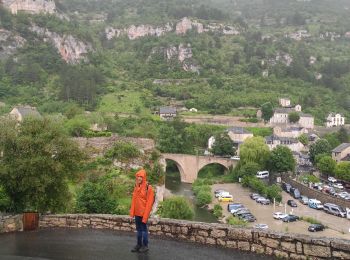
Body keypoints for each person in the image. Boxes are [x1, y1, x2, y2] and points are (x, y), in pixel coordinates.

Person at [130, 169, 155, 253]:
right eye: (138, 176)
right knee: (138, 230)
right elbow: (134, 200)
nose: (139, 178)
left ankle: (145, 246)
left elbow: (149, 203)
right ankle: (139, 244)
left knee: (144, 230)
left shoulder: (149, 188)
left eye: (141, 177)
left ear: (144, 178)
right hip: (137, 213)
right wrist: (131, 214)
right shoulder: (136, 186)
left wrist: (145, 216)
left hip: (143, 213)